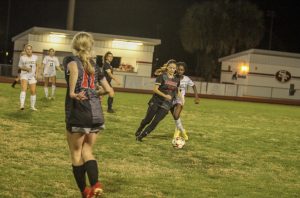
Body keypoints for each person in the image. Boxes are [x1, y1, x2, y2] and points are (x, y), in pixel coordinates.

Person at [63, 32, 104, 198]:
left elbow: (73, 71)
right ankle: (96, 184)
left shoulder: (70, 60)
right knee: (87, 150)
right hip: (96, 113)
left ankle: (85, 192)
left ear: (74, 45)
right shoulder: (95, 65)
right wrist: (94, 93)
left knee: (76, 152)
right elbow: (108, 90)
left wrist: (73, 93)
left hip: (79, 111)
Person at [135, 59, 182, 141]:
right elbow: (155, 90)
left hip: (166, 105)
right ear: (167, 67)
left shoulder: (177, 80)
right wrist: (165, 95)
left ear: (175, 69)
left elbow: (177, 91)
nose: (172, 70)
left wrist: (181, 99)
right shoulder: (162, 76)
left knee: (155, 122)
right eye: (170, 67)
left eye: (174, 68)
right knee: (147, 120)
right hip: (156, 101)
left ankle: (142, 136)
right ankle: (140, 129)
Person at [171, 62, 199, 140]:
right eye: (179, 69)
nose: (180, 71)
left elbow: (193, 86)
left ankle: (179, 132)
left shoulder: (186, 79)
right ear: (176, 69)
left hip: (181, 99)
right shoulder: (172, 77)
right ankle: (181, 130)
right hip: (172, 98)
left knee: (176, 115)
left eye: (182, 70)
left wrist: (196, 96)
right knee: (175, 117)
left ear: (184, 71)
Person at [18, 44, 39, 111]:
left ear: (32, 50)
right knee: (24, 88)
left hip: (32, 76)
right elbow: (20, 66)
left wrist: (37, 74)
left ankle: (32, 107)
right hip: (24, 75)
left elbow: (37, 66)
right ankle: (22, 105)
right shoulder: (22, 57)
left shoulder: (35, 57)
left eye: (30, 49)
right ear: (25, 50)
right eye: (27, 49)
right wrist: (26, 69)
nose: (29, 50)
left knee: (33, 91)